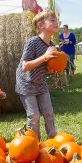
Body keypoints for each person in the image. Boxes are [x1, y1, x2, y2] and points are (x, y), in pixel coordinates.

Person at [15, 9, 59, 140]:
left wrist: (52, 69)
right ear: (41, 25)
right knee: (34, 115)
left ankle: (53, 140)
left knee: (48, 112)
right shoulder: (32, 42)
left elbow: (45, 67)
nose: (56, 22)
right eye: (52, 20)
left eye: (56, 19)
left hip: (40, 82)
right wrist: (45, 57)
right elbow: (25, 66)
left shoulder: (51, 45)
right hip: (26, 83)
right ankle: (34, 143)